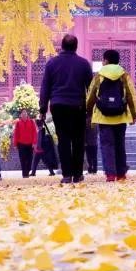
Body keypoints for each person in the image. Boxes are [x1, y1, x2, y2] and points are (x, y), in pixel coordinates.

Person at [39, 33, 94, 184]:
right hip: (77, 106)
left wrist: (43, 108)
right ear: (76, 47)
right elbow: (91, 87)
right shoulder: (83, 64)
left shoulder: (52, 63)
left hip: (58, 106)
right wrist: (91, 109)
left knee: (63, 139)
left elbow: (45, 87)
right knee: (78, 140)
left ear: (62, 46)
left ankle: (66, 174)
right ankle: (77, 174)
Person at [86, 49, 136, 181]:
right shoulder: (124, 75)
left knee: (106, 145)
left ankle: (110, 174)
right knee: (120, 145)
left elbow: (91, 95)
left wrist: (88, 110)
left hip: (103, 117)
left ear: (106, 60)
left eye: (103, 60)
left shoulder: (99, 75)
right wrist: (134, 114)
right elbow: (131, 95)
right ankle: (121, 173)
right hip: (120, 116)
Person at [13, 110, 37, 178]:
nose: (24, 114)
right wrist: (15, 144)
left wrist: (34, 142)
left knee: (30, 159)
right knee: (22, 159)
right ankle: (24, 173)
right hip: (21, 144)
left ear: (27, 114)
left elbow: (34, 132)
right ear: (20, 115)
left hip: (30, 144)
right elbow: (16, 134)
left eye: (25, 113)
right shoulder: (18, 123)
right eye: (22, 113)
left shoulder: (32, 122)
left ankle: (28, 169)